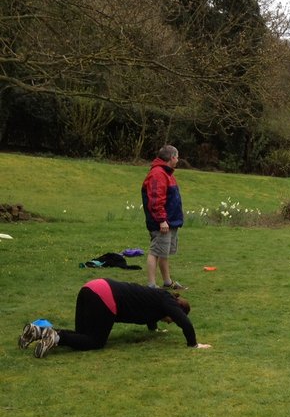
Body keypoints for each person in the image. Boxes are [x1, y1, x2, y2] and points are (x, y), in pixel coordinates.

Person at [18, 278, 211, 358]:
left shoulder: (159, 299)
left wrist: (155, 330)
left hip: (90, 287)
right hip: (105, 297)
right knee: (95, 342)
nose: (170, 321)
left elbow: (150, 316)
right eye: (172, 320)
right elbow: (184, 322)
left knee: (82, 336)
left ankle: (39, 332)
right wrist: (194, 344)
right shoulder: (168, 302)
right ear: (176, 310)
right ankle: (56, 337)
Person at [141, 144, 187, 290]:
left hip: (170, 221)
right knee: (155, 252)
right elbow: (156, 199)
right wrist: (162, 220)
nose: (178, 160)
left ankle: (167, 282)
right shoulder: (158, 174)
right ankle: (151, 285)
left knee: (164, 253)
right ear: (172, 157)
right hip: (161, 223)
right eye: (177, 157)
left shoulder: (167, 173)